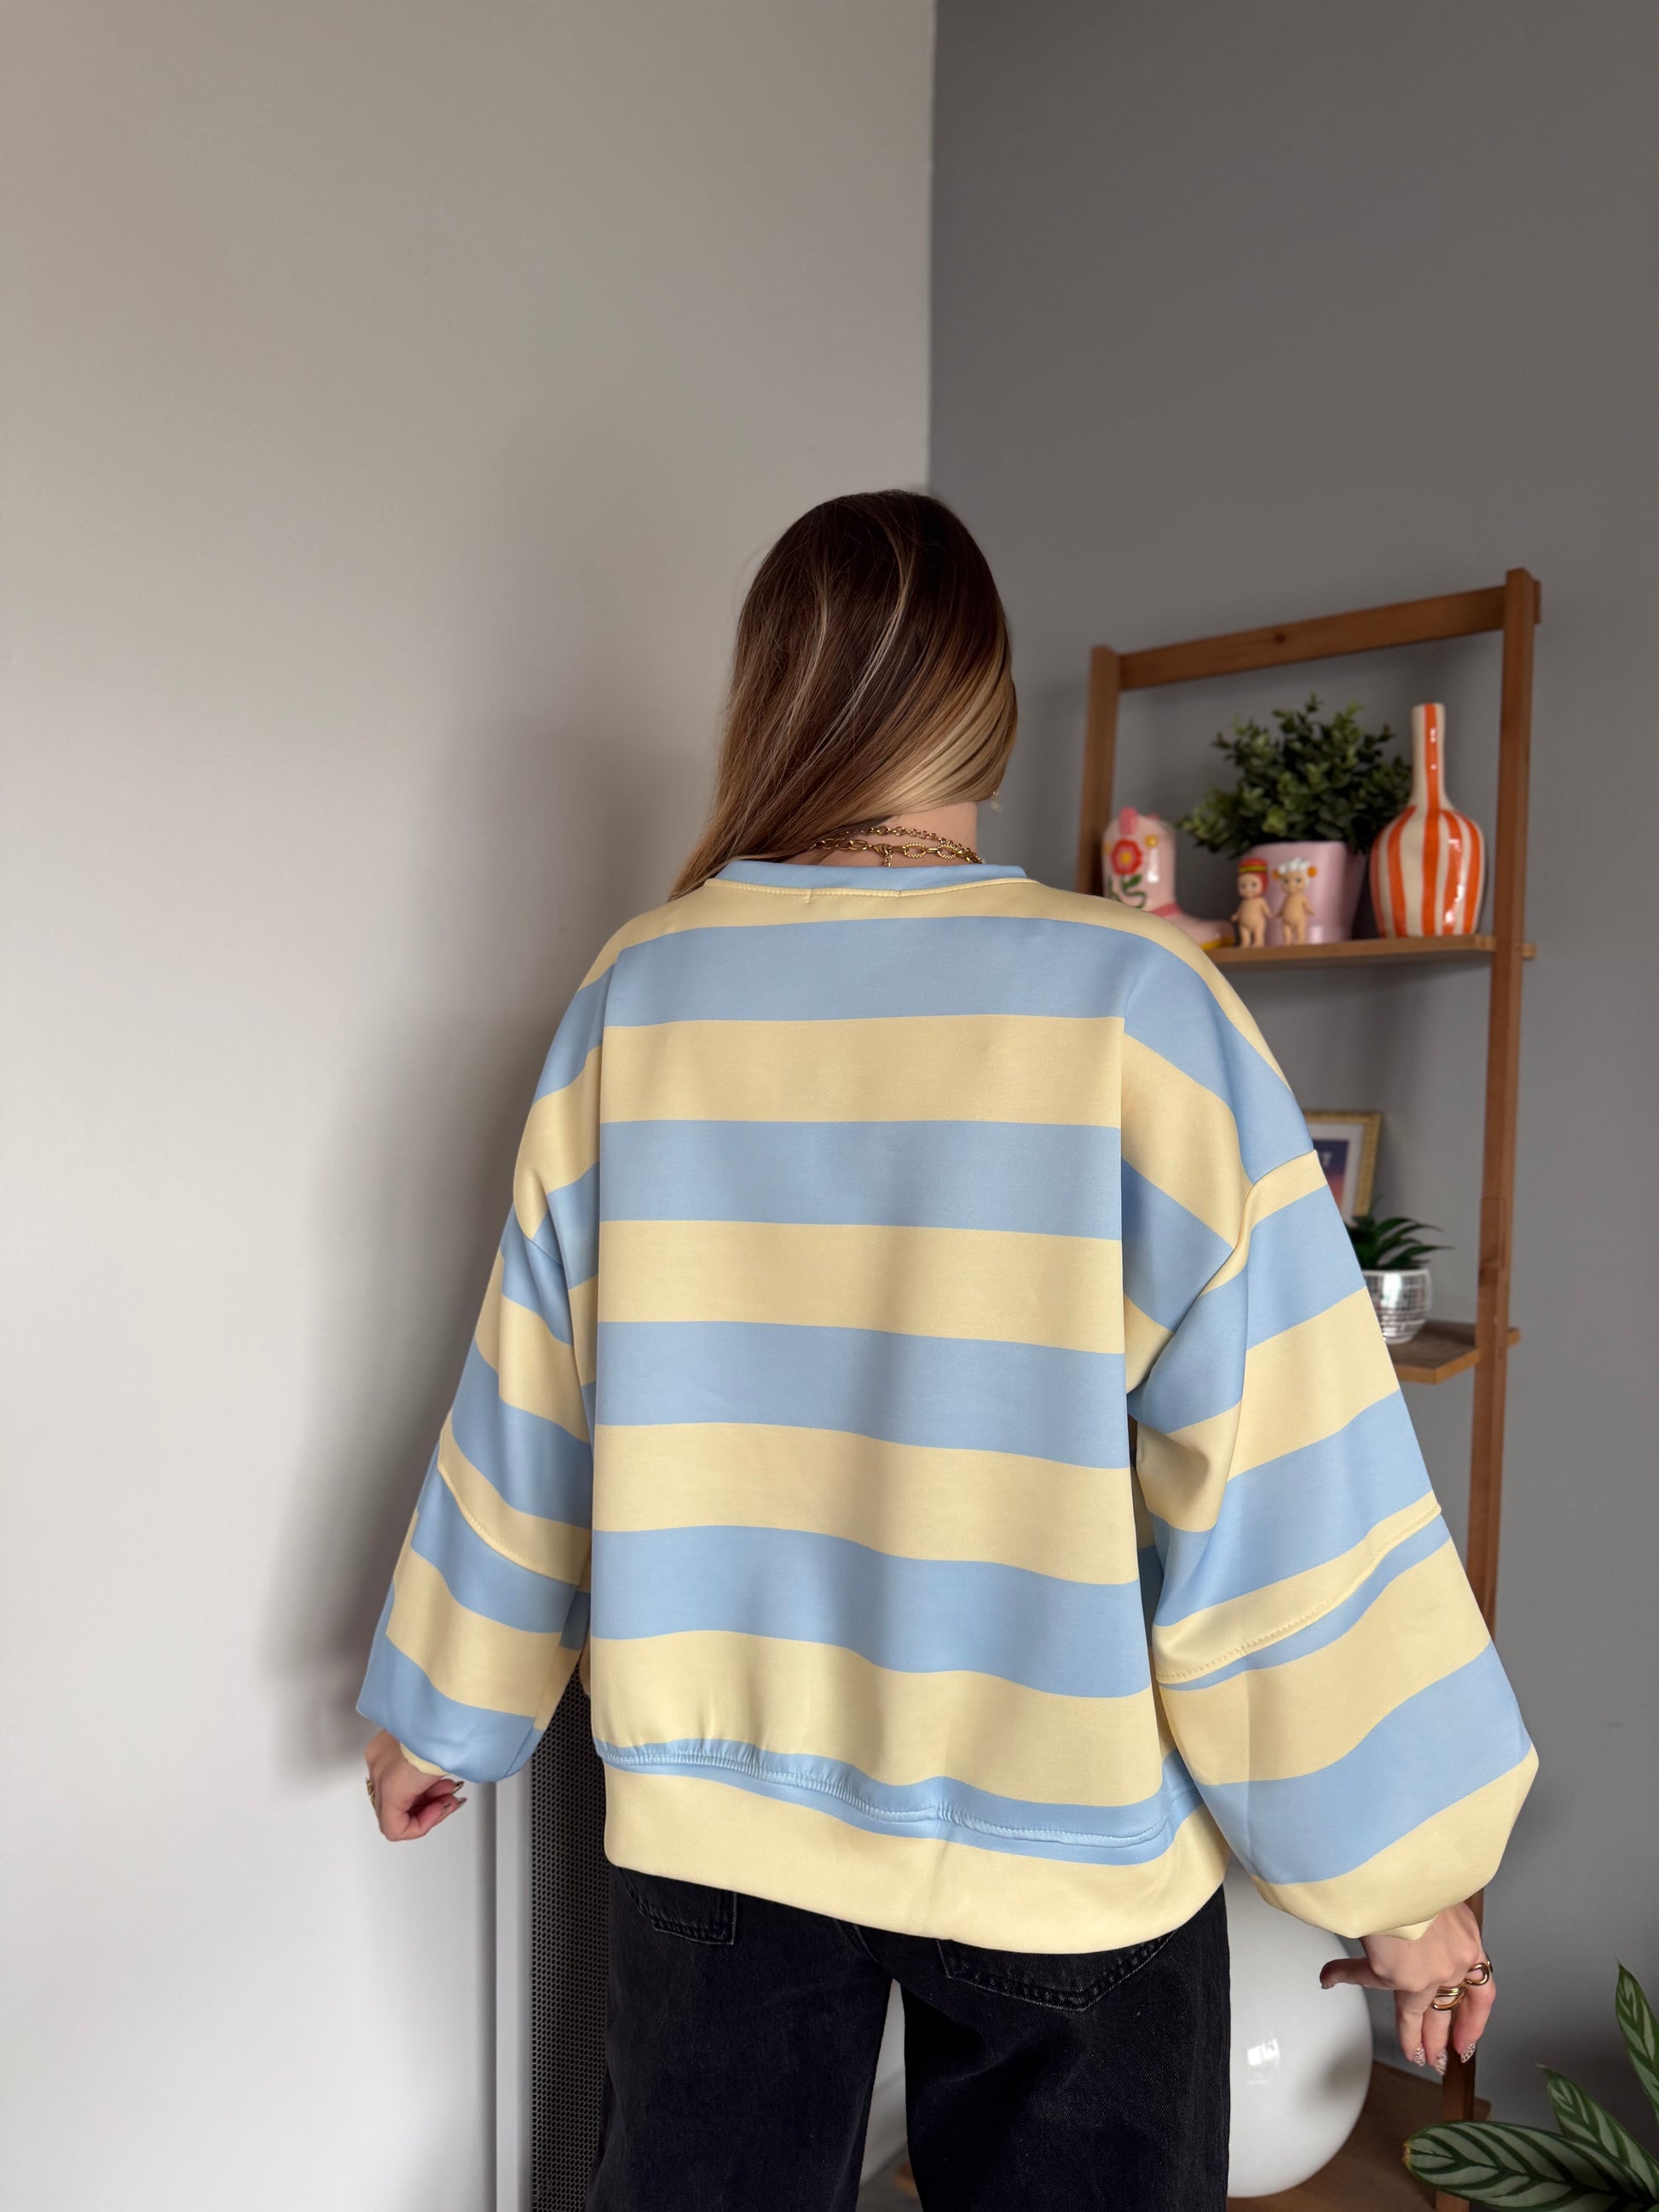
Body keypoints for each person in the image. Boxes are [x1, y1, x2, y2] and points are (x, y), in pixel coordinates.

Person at [358, 491, 1535, 2210]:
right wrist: (1406, 1877)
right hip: (1067, 1840)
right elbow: (1283, 1466)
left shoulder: (640, 995)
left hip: (716, 1830)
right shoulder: (1136, 1002)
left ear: (767, 694)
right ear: (983, 707)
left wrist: (446, 1709)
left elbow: (532, 1389)